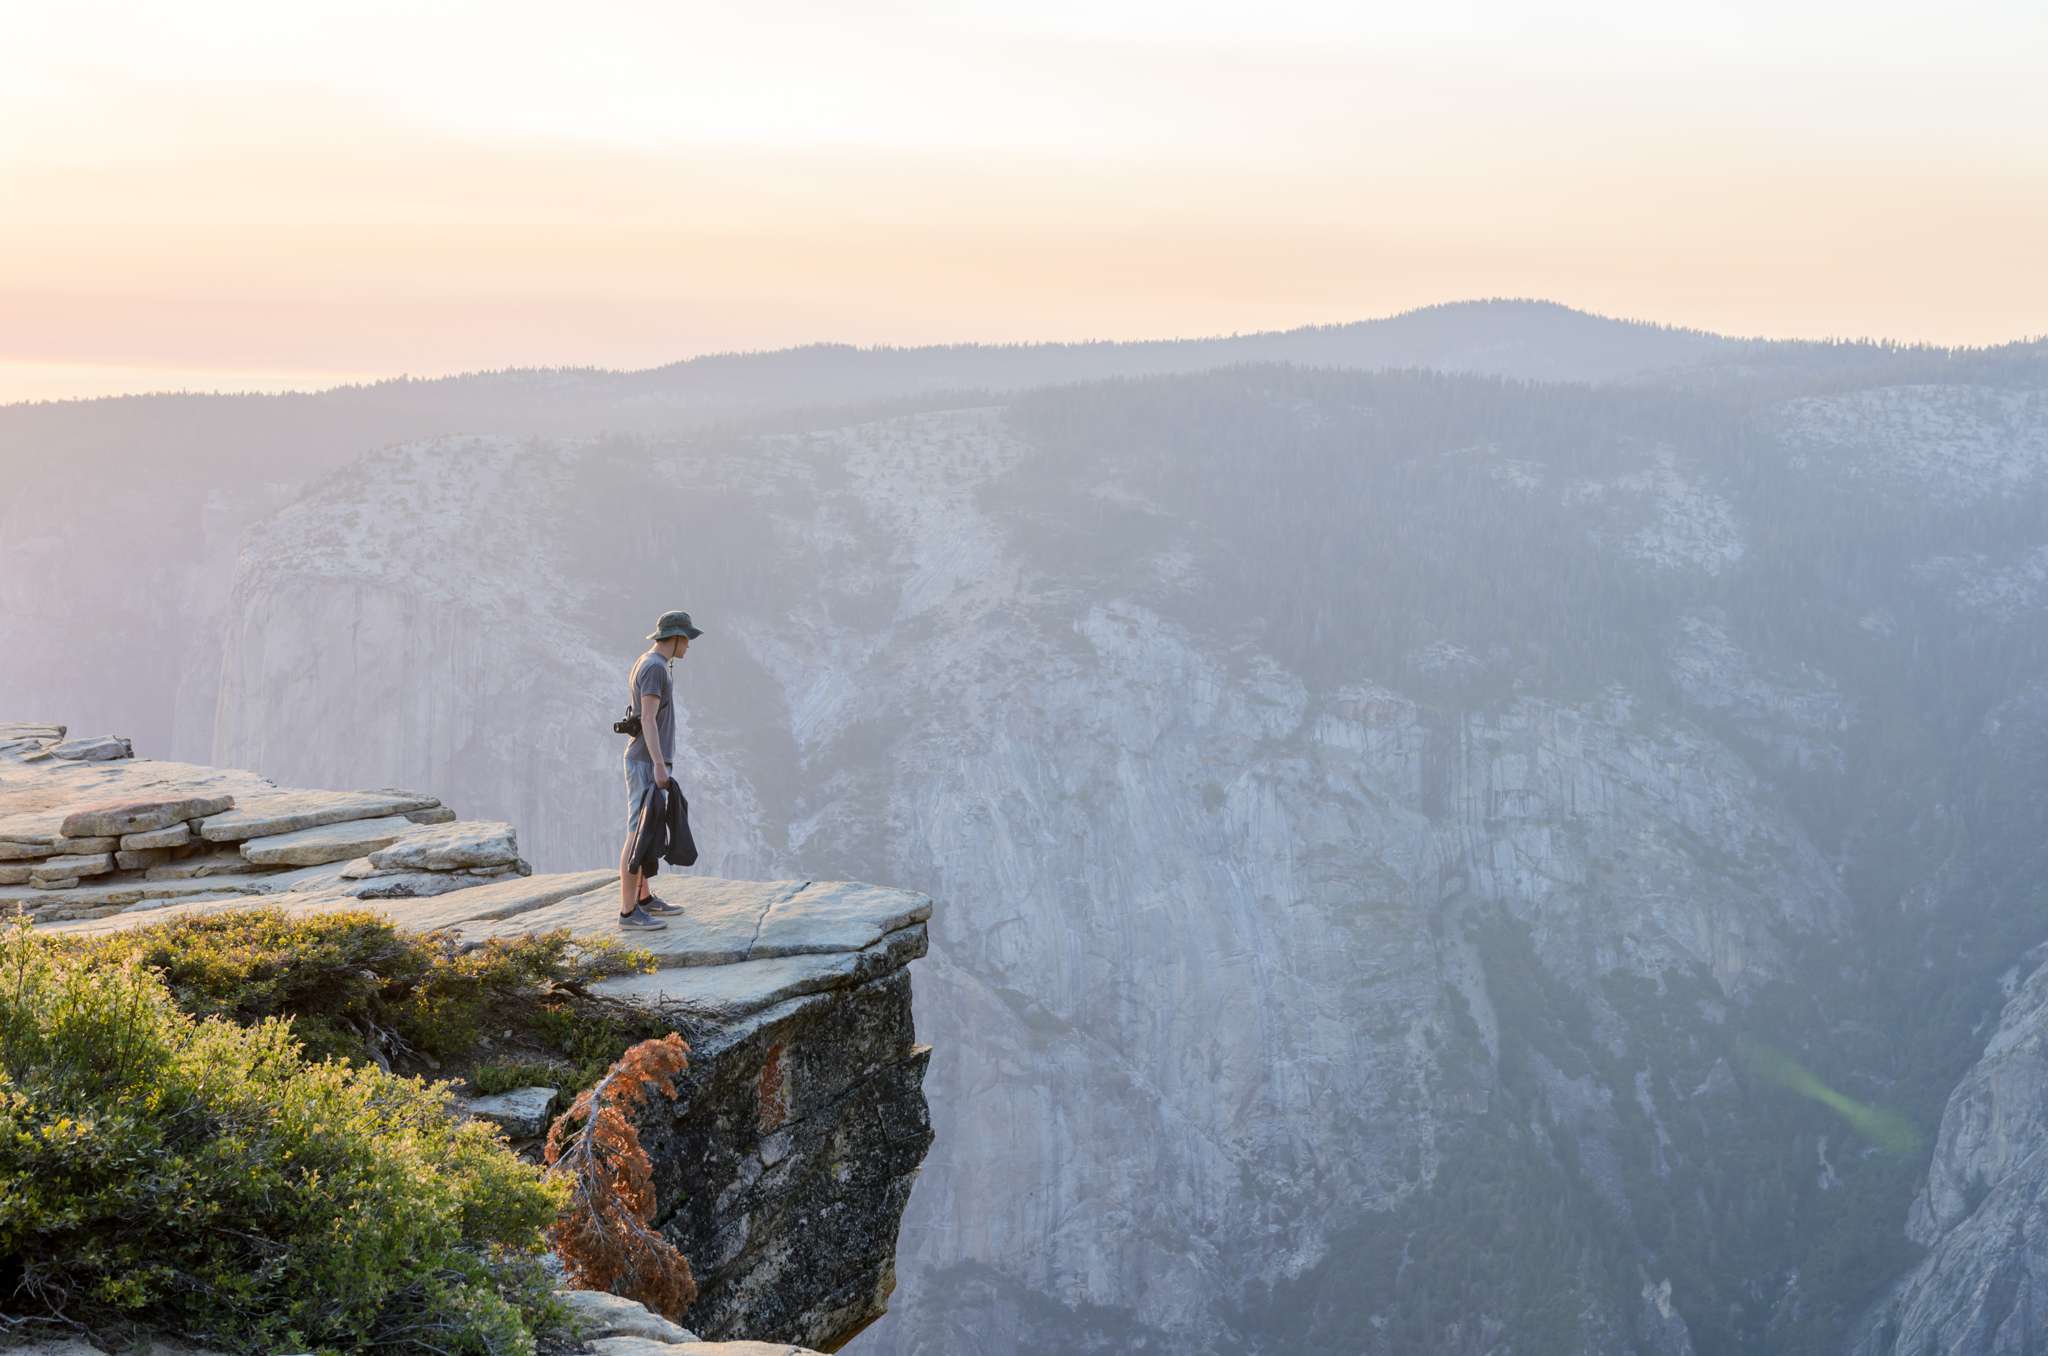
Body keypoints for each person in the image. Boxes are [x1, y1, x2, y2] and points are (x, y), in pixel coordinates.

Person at [620, 610, 702, 928]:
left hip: (645, 759)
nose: (689, 646)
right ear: (676, 637)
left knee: (647, 831)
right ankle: (628, 912)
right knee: (637, 834)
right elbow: (648, 718)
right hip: (645, 761)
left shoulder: (649, 662)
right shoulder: (655, 668)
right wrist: (657, 764)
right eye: (687, 639)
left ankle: (643, 899)